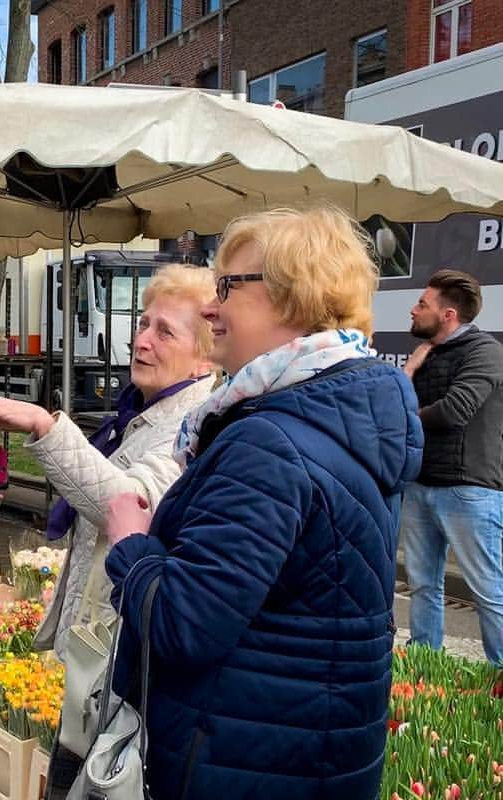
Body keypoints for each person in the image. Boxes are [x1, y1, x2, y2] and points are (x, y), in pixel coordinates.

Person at [102, 206, 422, 800]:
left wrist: (131, 545)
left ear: (292, 299)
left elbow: (183, 623)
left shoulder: (270, 441)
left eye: (227, 286)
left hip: (242, 757)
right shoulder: (341, 415)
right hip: (304, 750)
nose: (209, 307)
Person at [0, 264, 216, 660]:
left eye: (165, 332)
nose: (141, 341)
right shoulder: (140, 415)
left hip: (120, 651)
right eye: (143, 324)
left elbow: (128, 502)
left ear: (204, 361)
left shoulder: (192, 427)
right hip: (94, 643)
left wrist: (45, 425)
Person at [400, 269, 503, 667]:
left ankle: (499, 674)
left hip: (468, 489)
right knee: (423, 585)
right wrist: (409, 371)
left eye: (422, 304)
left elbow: (454, 412)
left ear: (448, 315)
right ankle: (425, 668)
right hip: (420, 483)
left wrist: (408, 413)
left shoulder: (486, 352)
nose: (413, 309)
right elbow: (401, 405)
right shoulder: (426, 354)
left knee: (488, 589)